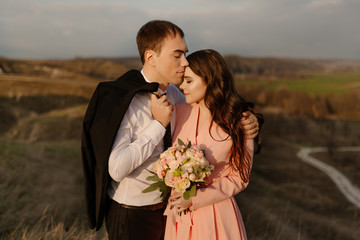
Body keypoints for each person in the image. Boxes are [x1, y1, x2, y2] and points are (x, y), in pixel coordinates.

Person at [81, 21, 261, 240]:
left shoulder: (178, 97)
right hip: (132, 213)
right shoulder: (127, 101)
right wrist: (157, 125)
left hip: (168, 214)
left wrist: (250, 122)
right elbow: (116, 169)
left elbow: (217, 114)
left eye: (185, 54)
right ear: (151, 57)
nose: (185, 62)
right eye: (177, 55)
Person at [164, 49, 256, 240]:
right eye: (183, 80)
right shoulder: (178, 112)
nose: (182, 86)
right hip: (178, 214)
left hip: (216, 213)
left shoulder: (238, 121)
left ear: (209, 80)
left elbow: (240, 178)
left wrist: (195, 198)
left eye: (189, 81)